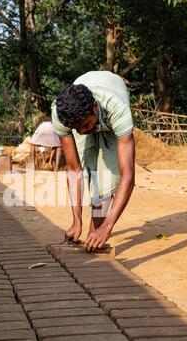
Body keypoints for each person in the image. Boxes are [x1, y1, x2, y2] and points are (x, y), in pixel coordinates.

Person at [51, 70, 135, 252]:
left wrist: (108, 226)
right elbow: (74, 170)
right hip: (83, 109)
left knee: (105, 181)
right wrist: (76, 220)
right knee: (88, 170)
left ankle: (96, 231)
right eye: (76, 128)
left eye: (85, 125)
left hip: (111, 111)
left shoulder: (118, 110)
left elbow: (128, 175)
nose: (81, 132)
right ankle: (89, 229)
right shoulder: (61, 114)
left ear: (95, 106)